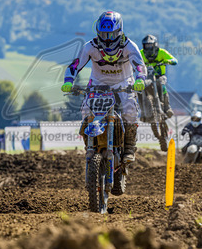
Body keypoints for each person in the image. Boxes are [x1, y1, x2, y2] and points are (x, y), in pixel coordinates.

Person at [62, 10, 146, 164]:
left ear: (119, 32)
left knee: (130, 110)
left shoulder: (129, 46)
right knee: (86, 110)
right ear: (97, 32)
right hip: (97, 84)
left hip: (123, 84)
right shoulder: (90, 46)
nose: (107, 39)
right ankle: (89, 146)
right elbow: (74, 65)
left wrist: (140, 79)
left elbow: (140, 66)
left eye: (111, 35)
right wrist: (68, 81)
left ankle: (129, 147)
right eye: (103, 34)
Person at [140, 35, 178, 118]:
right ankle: (143, 111)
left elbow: (174, 60)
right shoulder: (141, 53)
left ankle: (167, 107)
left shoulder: (162, 52)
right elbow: (134, 60)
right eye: (146, 45)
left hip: (159, 76)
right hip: (146, 77)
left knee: (162, 84)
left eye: (150, 45)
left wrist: (168, 61)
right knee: (140, 87)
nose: (148, 47)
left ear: (155, 45)